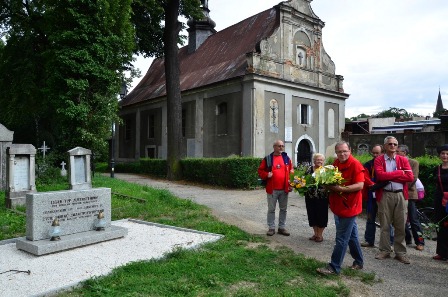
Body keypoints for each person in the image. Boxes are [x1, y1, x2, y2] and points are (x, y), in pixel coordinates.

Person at [316, 141, 364, 275]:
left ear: (350, 151)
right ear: (336, 153)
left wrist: (341, 189)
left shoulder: (355, 165)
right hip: (339, 205)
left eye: (344, 151)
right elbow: (330, 179)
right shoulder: (336, 163)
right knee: (352, 236)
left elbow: (360, 185)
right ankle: (359, 262)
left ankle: (334, 267)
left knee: (342, 238)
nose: (342, 154)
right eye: (339, 152)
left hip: (349, 207)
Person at [374, 136, 414, 264]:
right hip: (385, 194)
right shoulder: (379, 159)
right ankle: (385, 250)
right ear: (385, 146)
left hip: (400, 195)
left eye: (395, 144)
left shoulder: (403, 159)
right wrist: (399, 173)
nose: (392, 146)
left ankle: (400, 253)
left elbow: (410, 177)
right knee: (384, 224)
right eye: (390, 144)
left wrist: (390, 176)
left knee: (401, 225)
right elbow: (380, 176)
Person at [258, 140, 294, 236]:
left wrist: (291, 184)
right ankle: (271, 228)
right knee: (271, 209)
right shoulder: (268, 158)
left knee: (283, 209)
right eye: (279, 146)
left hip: (284, 189)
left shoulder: (286, 158)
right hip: (272, 189)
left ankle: (281, 228)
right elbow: (260, 170)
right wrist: (266, 174)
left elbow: (291, 171)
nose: (281, 148)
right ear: (274, 147)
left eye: (282, 146)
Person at [397, 144, 425, 251]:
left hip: (409, 194)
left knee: (414, 220)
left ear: (404, 153)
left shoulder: (413, 163)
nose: (395, 152)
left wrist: (401, 187)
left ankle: (420, 241)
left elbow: (413, 178)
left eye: (398, 151)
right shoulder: (396, 162)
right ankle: (407, 238)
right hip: (399, 194)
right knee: (400, 218)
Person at [304, 153, 329, 243]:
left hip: (322, 197)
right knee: (312, 215)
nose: (319, 161)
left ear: (323, 161)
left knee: (321, 215)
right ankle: (315, 233)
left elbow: (330, 183)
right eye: (317, 159)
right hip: (310, 197)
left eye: (321, 160)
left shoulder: (326, 171)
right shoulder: (309, 169)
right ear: (314, 160)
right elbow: (304, 180)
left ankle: (320, 235)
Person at [432, 144, 448, 261]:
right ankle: (441, 252)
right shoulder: (436, 169)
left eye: (447, 153)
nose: (445, 155)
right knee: (440, 226)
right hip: (440, 200)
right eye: (442, 153)